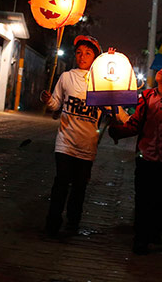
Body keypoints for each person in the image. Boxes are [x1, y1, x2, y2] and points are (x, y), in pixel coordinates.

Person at [108, 62, 162, 255]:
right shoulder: (146, 97)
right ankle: (140, 238)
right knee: (143, 199)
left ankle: (154, 232)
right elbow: (136, 124)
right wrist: (117, 131)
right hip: (146, 157)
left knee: (160, 199)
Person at [41, 35, 103, 237]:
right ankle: (52, 225)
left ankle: (73, 223)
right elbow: (56, 104)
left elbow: (116, 110)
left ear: (96, 57)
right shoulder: (66, 77)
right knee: (60, 183)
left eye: (88, 53)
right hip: (65, 142)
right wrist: (48, 100)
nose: (82, 56)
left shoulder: (102, 82)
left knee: (79, 187)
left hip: (87, 145)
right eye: (79, 52)